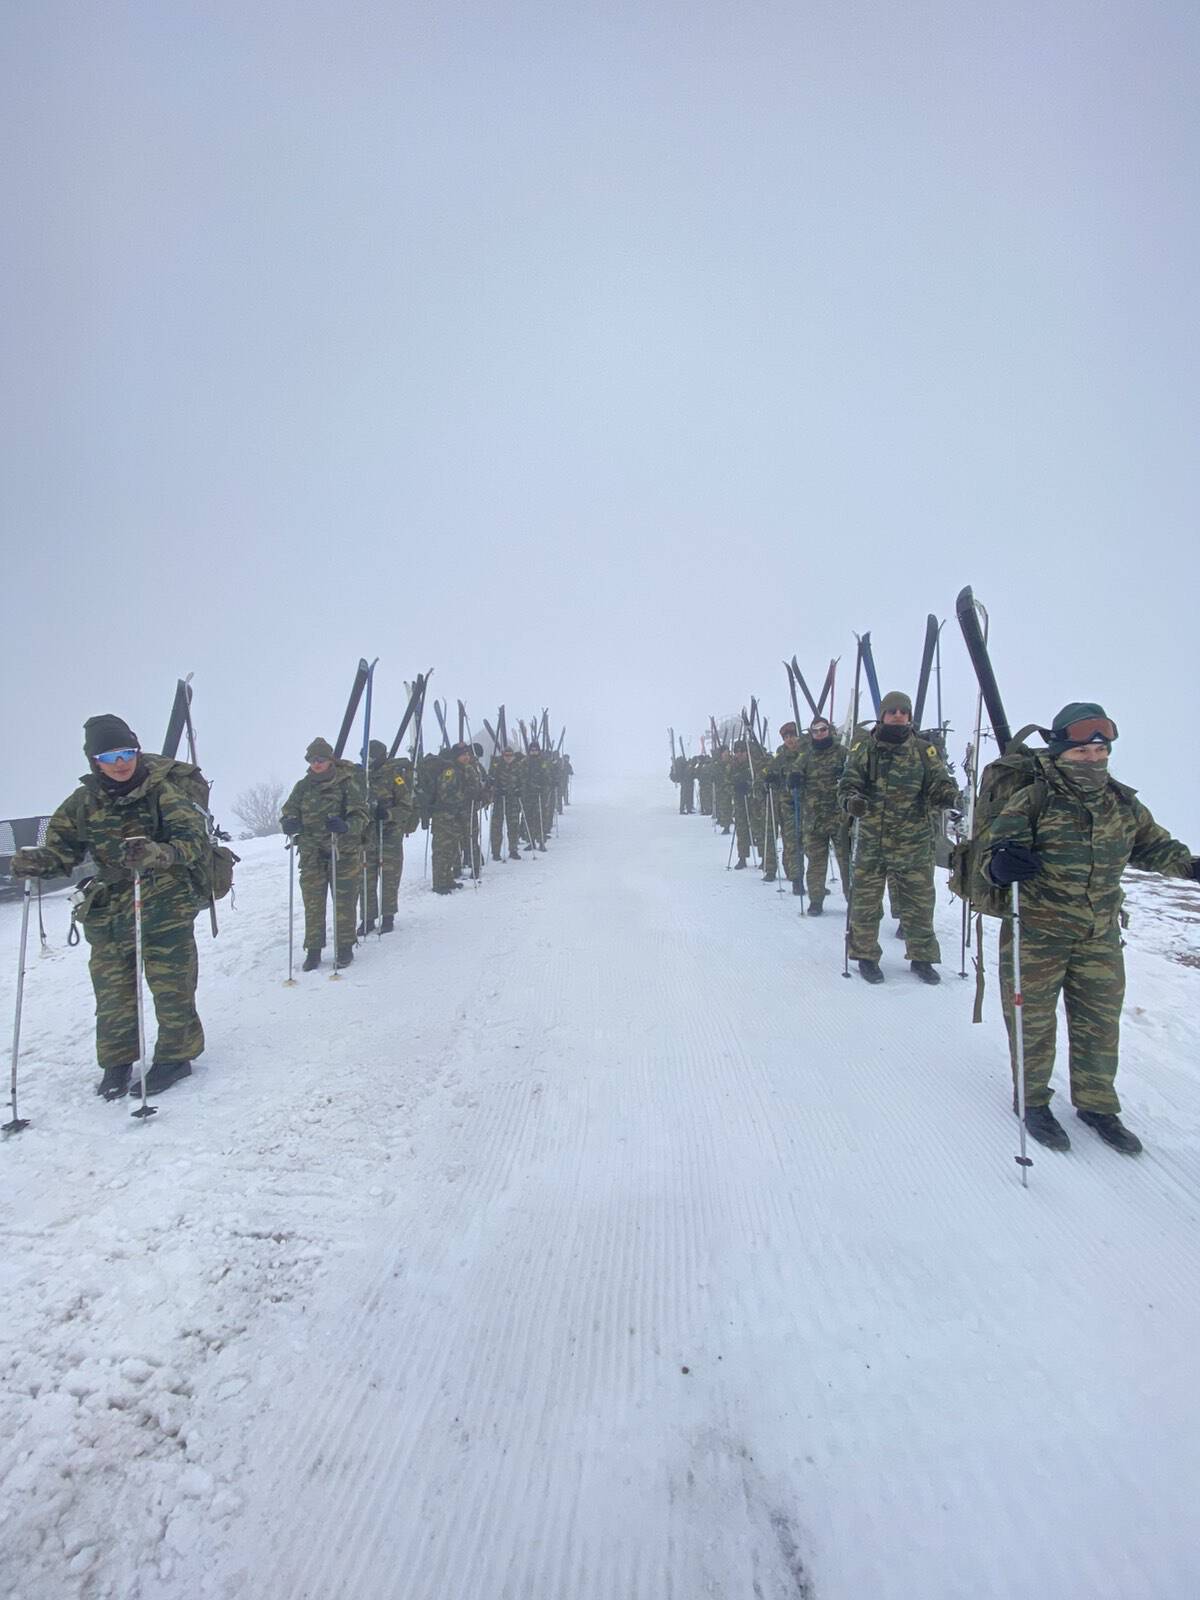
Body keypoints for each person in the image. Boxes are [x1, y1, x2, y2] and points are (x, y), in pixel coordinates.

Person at [983, 703, 1198, 1154]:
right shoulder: (1034, 799)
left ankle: (1097, 1105)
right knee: (1032, 1023)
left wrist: (1190, 867)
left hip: (1098, 935)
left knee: (1098, 1024)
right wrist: (1001, 865)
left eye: (1100, 751)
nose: (1093, 759)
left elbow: (1155, 847)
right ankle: (1033, 1101)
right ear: (1061, 751)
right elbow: (994, 853)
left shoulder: (1121, 803)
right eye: (1082, 751)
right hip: (1037, 934)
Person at [11, 715, 208, 1098]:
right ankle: (117, 1063)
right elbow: (63, 853)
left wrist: (157, 853)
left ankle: (176, 1056)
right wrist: (38, 862)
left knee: (172, 986)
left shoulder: (163, 792)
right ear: (94, 761)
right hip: (110, 911)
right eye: (109, 756)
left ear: (136, 752)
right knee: (113, 992)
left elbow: (193, 842)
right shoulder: (83, 802)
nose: (120, 763)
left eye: (126, 753)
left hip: (165, 905)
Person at [838, 690, 959, 984]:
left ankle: (922, 958)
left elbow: (939, 784)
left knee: (919, 905)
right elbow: (848, 784)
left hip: (914, 843)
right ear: (882, 715)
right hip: (872, 841)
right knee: (866, 903)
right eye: (892, 711)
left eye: (903, 712)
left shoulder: (923, 751)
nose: (898, 716)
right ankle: (865, 956)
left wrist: (951, 797)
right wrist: (852, 801)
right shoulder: (864, 749)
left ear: (910, 716)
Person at [280, 738, 369, 969]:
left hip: (342, 853)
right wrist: (289, 823)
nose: (316, 763)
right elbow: (289, 810)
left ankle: (345, 947)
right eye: (312, 760)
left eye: (320, 759)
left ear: (330, 760)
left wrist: (346, 826)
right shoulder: (303, 786)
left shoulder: (346, 783)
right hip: (312, 854)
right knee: (313, 904)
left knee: (344, 902)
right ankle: (313, 951)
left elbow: (361, 815)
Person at [790, 714, 850, 913]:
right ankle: (816, 900)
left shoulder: (842, 753)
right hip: (814, 819)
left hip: (840, 818)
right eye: (815, 731)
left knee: (846, 861)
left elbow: (856, 775)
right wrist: (794, 778)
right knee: (816, 862)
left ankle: (853, 899)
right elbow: (794, 774)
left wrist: (847, 775)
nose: (820, 733)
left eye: (823, 729)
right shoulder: (805, 756)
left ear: (829, 730)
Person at [359, 739, 419, 934]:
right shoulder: (361, 777)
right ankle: (367, 918)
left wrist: (388, 814)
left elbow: (406, 807)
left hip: (389, 834)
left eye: (370, 756)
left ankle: (388, 916)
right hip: (367, 834)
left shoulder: (395, 776)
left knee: (389, 876)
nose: (367, 759)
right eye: (364, 756)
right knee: (366, 877)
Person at [417, 744, 474, 892]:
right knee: (442, 850)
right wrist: (464, 796)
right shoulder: (451, 771)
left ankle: (447, 879)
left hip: (452, 816)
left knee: (451, 849)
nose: (466, 757)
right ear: (456, 756)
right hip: (443, 816)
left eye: (467, 754)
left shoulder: (459, 770)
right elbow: (444, 793)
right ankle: (439, 883)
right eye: (463, 754)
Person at [763, 723, 806, 890]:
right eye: (786, 737)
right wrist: (770, 778)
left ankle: (815, 883)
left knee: (811, 845)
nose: (790, 740)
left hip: (809, 804)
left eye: (792, 736)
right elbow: (768, 773)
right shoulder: (780, 758)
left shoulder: (807, 753)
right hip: (788, 805)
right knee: (793, 841)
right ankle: (797, 879)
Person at [490, 745, 525, 861]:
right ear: (503, 755)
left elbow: (522, 780)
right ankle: (496, 852)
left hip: (513, 800)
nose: (508, 757)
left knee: (513, 826)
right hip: (499, 800)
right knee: (496, 827)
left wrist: (519, 790)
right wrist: (496, 790)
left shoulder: (518, 766)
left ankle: (513, 849)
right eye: (506, 755)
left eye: (510, 755)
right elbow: (491, 780)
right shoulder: (497, 766)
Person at [694, 749, 715, 816]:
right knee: (706, 797)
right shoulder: (706, 765)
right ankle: (706, 809)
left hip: (705, 784)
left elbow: (697, 774)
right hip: (706, 784)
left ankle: (707, 809)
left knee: (706, 797)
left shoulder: (703, 766)